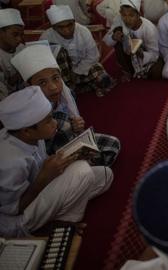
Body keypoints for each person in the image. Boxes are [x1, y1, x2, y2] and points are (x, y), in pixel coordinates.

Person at [0, 86, 113, 237]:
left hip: (40, 190)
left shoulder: (29, 136)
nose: (55, 123)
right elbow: (14, 209)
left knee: (105, 175)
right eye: (48, 121)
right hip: (17, 221)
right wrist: (43, 178)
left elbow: (43, 165)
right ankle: (60, 224)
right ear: (27, 130)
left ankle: (53, 214)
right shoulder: (10, 162)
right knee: (81, 171)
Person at [11, 44, 121, 167]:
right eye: (42, 82)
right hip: (47, 157)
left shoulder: (66, 95)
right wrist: (66, 127)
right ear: (29, 86)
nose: (53, 87)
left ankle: (84, 167)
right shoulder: (26, 111)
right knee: (62, 121)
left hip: (67, 141)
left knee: (112, 145)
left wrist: (76, 127)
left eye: (56, 78)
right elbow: (37, 152)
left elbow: (72, 129)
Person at [42, 5, 114, 97]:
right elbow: (44, 63)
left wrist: (77, 71)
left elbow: (93, 56)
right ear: (54, 28)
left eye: (70, 25)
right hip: (61, 73)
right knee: (59, 53)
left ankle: (73, 90)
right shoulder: (46, 37)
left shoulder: (83, 31)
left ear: (74, 22)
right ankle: (74, 88)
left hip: (83, 68)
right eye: (61, 27)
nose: (67, 30)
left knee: (101, 75)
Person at [103, 0, 163, 80]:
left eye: (131, 15)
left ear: (138, 15)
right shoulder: (119, 20)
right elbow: (107, 41)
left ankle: (140, 71)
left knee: (157, 72)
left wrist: (140, 53)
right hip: (128, 56)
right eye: (124, 15)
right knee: (117, 31)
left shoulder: (149, 29)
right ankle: (128, 70)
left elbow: (155, 54)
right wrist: (113, 37)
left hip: (144, 56)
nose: (127, 19)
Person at [0, 8, 25, 100]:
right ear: (1, 32)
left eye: (21, 35)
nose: (19, 39)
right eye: (15, 34)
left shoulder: (21, 47)